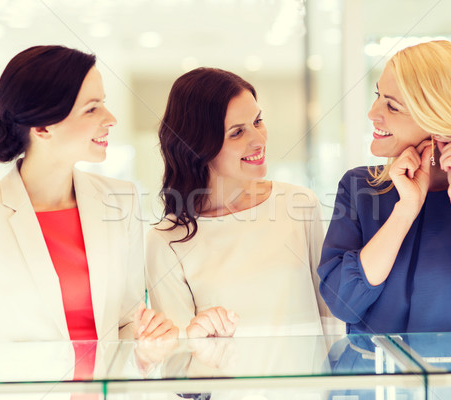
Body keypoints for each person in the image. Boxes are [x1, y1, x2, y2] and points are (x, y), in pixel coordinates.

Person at [0, 45, 178, 346]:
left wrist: (147, 347)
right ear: (41, 127)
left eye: (103, 103)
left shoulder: (121, 200)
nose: (111, 118)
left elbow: (126, 322)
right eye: (92, 108)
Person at [318, 40, 451, 334]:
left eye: (392, 105)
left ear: (440, 121)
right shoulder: (358, 187)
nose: (372, 113)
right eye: (378, 95)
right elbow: (343, 304)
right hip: (370, 377)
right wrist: (405, 209)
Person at [146, 67, 340, 338]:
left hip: (311, 380)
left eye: (258, 121)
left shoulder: (299, 205)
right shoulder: (167, 241)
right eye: (237, 133)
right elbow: (177, 357)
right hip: (224, 380)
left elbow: (331, 320)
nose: (258, 140)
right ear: (197, 146)